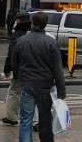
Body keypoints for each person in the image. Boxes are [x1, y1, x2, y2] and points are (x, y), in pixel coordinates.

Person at [11, 11, 66, 142]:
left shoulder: (21, 41)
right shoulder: (51, 42)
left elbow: (14, 63)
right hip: (45, 86)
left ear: (32, 24)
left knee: (25, 121)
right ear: (45, 25)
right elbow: (58, 69)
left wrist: (21, 77)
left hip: (27, 85)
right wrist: (61, 90)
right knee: (45, 120)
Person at [1, 11, 36, 127]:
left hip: (18, 70)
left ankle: (12, 117)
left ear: (19, 20)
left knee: (13, 92)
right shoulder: (31, 34)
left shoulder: (17, 35)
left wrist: (6, 70)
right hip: (31, 70)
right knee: (30, 95)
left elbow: (11, 54)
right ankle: (34, 120)